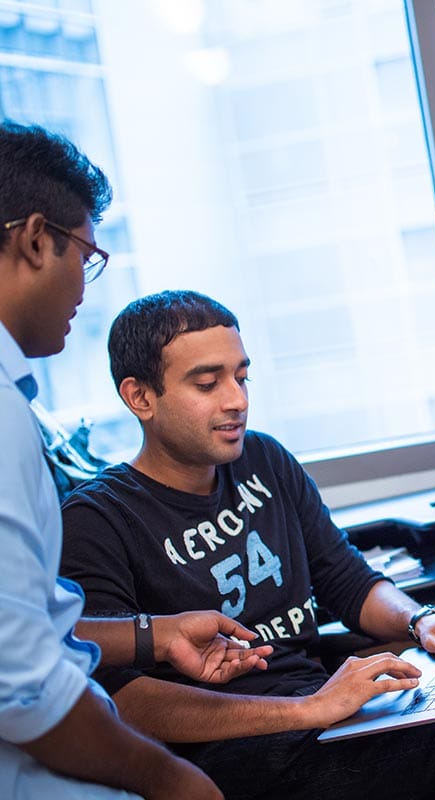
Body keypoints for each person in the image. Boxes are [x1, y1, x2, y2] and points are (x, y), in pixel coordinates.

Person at [58, 290, 435, 800]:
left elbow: (345, 578)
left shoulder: (264, 461)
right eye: (207, 384)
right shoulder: (97, 519)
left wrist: (420, 620)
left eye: (242, 378)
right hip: (232, 756)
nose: (237, 401)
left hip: (322, 720)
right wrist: (308, 710)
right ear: (139, 397)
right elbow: (121, 702)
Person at [0, 121, 274, 800]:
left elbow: (29, 624)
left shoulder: (266, 461)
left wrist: (156, 633)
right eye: (86, 256)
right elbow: (24, 677)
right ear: (37, 239)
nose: (84, 289)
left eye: (241, 377)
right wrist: (171, 778)